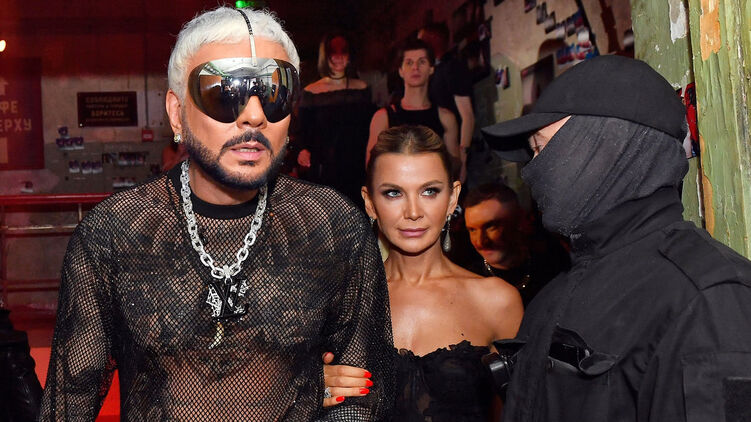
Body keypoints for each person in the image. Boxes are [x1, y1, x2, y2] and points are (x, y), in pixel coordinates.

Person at [39, 7, 394, 421]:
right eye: (226, 93)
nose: (254, 115)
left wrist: (305, 391)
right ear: (177, 113)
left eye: (274, 93)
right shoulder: (114, 234)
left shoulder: (332, 226)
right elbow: (69, 404)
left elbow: (363, 400)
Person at [481, 55, 751, 421]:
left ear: (609, 144)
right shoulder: (553, 295)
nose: (531, 172)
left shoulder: (708, 298)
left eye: (542, 148)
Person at [323, 125, 523, 420]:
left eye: (429, 191)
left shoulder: (497, 301)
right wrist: (313, 392)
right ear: (370, 203)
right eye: (393, 193)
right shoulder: (340, 301)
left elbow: (524, 410)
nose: (413, 212)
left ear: (452, 198)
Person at [296, 33, 373, 208]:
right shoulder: (311, 92)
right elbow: (303, 131)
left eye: (343, 51)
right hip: (324, 168)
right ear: (325, 56)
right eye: (333, 52)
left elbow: (369, 130)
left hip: (356, 166)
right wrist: (303, 150)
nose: (338, 57)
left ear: (350, 55)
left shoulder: (362, 89)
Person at [462, 182, 569, 306]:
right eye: (472, 230)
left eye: (491, 226)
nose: (481, 241)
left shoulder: (552, 261)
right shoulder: (467, 283)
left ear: (519, 219)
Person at [365, 39, 458, 170]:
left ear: (431, 69)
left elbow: (454, 166)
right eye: (409, 62)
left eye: (422, 62)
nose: (415, 67)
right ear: (401, 71)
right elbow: (371, 166)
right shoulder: (383, 117)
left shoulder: (446, 117)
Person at [418, 22, 475, 181]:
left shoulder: (452, 67)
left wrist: (463, 158)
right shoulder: (433, 72)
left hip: (453, 154)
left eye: (422, 41)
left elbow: (467, 116)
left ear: (434, 39)